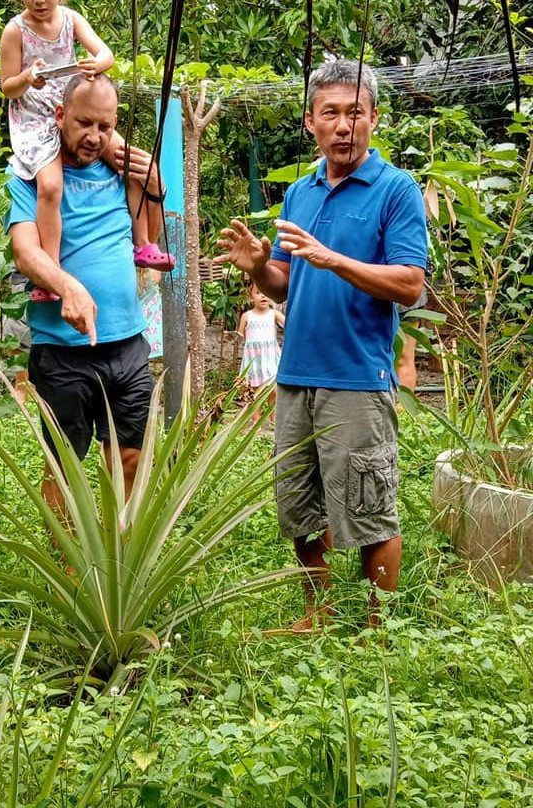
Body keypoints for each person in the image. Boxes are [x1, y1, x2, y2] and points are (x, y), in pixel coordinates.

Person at [215, 60, 428, 630]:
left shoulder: (395, 190)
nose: (342, 125)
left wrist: (335, 259)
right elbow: (284, 281)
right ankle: (319, 612)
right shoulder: (300, 194)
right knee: (300, 507)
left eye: (354, 113)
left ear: (374, 119)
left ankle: (380, 630)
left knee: (370, 511)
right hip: (296, 374)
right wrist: (260, 268)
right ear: (310, 121)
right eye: (329, 113)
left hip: (357, 377)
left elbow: (410, 283)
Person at [5, 74, 165, 504]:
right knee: (64, 470)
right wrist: (66, 285)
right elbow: (25, 252)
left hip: (128, 343)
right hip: (62, 349)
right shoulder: (31, 176)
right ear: (60, 116)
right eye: (83, 124)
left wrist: (154, 189)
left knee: (131, 458)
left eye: (104, 126)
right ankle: (70, 571)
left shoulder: (121, 172)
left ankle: (123, 562)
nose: (94, 136)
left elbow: (145, 238)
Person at [0, 0, 174, 304]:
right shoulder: (15, 30)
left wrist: (98, 64)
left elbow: (105, 54)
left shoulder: (71, 19)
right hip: (38, 120)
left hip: (75, 105)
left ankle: (144, 244)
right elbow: (8, 87)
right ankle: (51, 271)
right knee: (51, 185)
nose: (40, 1)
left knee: (134, 164)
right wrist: (27, 78)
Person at [237, 282, 285, 424]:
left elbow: (290, 324)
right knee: (254, 390)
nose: (263, 296)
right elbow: (240, 334)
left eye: (265, 292)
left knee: (274, 388)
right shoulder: (247, 316)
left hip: (271, 357)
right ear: (250, 297)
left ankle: (273, 417)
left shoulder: (274, 314)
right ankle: (256, 419)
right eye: (258, 293)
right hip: (253, 359)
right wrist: (232, 336)